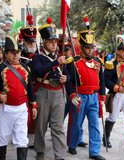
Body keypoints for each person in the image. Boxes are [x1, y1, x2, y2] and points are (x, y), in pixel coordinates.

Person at [0, 36, 37, 160]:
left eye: (17, 53)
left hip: (22, 109)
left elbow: (30, 89)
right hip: (5, 109)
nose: (16, 56)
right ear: (6, 54)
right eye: (12, 53)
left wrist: (33, 104)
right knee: (2, 136)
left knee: (22, 138)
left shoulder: (25, 68)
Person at [65, 16, 106, 160]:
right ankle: (72, 144)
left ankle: (94, 151)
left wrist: (102, 95)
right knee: (76, 122)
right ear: (82, 48)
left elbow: (101, 79)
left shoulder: (98, 62)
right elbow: (68, 81)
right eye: (87, 48)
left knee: (94, 124)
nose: (90, 50)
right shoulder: (73, 62)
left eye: (92, 47)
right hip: (80, 97)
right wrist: (71, 95)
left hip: (94, 97)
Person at [32, 18, 67, 160]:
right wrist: (55, 63)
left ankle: (60, 155)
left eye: (55, 41)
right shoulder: (38, 57)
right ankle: (40, 150)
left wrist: (67, 78)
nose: (54, 44)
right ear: (45, 42)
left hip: (58, 93)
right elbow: (39, 71)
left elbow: (69, 74)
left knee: (58, 127)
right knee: (41, 126)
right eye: (51, 41)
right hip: (43, 93)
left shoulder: (61, 57)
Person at [103, 32, 124, 148]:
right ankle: (106, 138)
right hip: (116, 95)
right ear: (118, 51)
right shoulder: (111, 64)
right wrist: (117, 87)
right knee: (113, 117)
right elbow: (106, 80)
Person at [19, 14, 38, 148]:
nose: (32, 44)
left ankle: (32, 138)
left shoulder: (39, 56)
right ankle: (20, 135)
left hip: (37, 89)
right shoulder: (18, 57)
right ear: (24, 43)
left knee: (35, 116)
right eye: (29, 42)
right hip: (23, 90)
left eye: (33, 42)